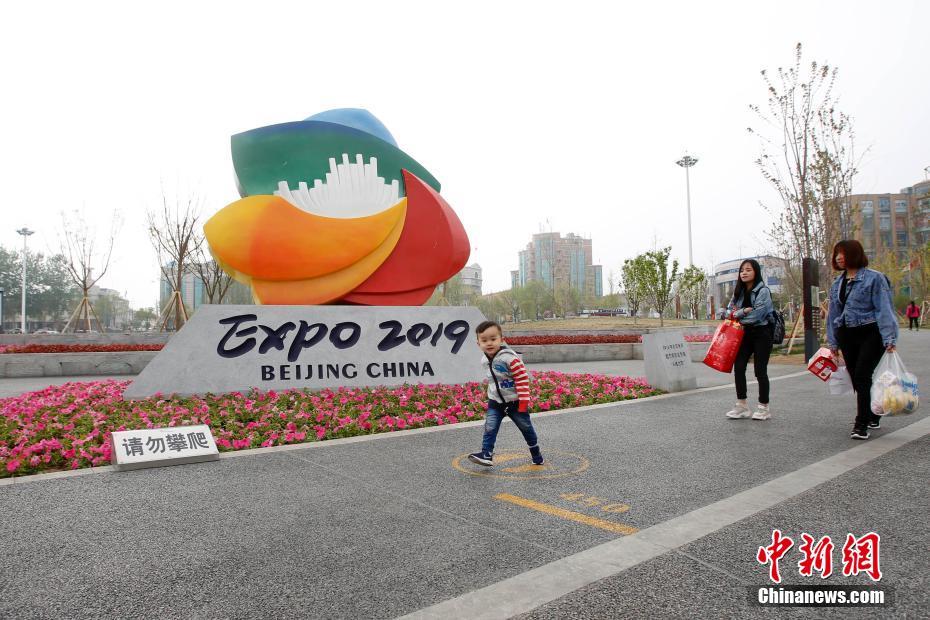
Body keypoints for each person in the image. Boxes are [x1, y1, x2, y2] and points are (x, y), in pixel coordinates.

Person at [826, 240, 899, 440]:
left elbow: (884, 308)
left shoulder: (875, 278)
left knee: (862, 374)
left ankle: (861, 424)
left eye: (843, 253)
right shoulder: (837, 284)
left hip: (871, 332)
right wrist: (833, 342)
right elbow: (833, 314)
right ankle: (873, 412)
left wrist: (889, 337)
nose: (839, 257)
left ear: (855, 254)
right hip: (847, 333)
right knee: (856, 376)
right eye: (836, 254)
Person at [468, 320, 543, 467]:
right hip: (495, 403)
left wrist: (523, 402)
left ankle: (536, 453)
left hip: (515, 403)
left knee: (526, 427)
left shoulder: (510, 358)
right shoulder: (484, 360)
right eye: (484, 340)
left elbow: (522, 379)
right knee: (490, 427)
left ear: (502, 340)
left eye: (493, 339)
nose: (489, 343)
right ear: (478, 344)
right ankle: (486, 454)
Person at [724, 259, 775, 421]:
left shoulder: (763, 291)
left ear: (756, 272)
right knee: (738, 368)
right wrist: (741, 312)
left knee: (760, 371)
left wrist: (737, 316)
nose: (744, 273)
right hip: (743, 334)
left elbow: (758, 315)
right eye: (742, 270)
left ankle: (764, 407)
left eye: (748, 270)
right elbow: (726, 313)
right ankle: (742, 405)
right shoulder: (738, 292)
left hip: (762, 333)